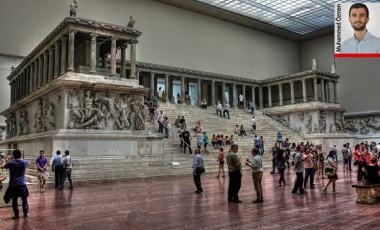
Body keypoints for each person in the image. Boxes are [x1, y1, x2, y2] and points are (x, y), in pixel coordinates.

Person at [0, 149, 30, 219]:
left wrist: (7, 160)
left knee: (14, 200)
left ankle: (16, 215)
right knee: (24, 199)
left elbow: (2, 166)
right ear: (20, 155)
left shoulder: (11, 163)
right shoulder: (24, 162)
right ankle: (25, 213)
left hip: (13, 184)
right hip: (22, 184)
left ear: (13, 155)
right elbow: (29, 163)